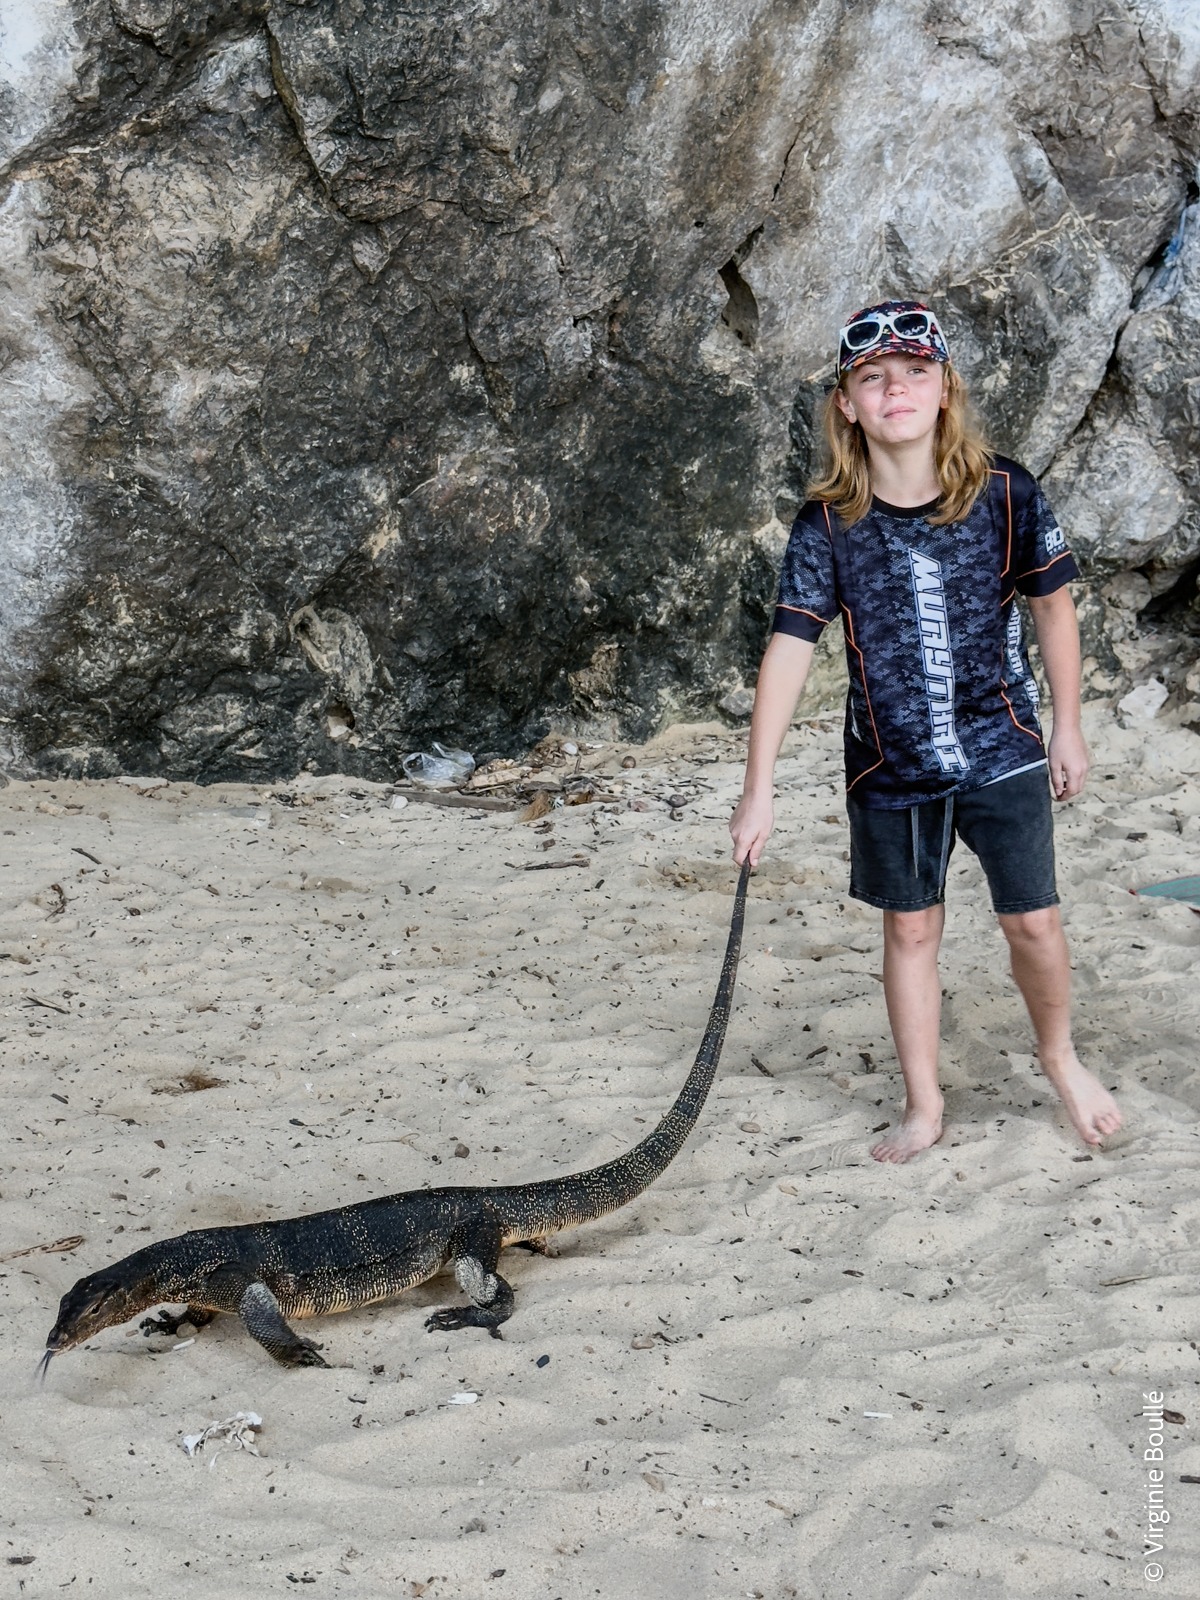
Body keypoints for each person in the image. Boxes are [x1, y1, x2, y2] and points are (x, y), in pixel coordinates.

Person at [729, 299, 1121, 1163]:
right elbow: (789, 650)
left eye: (914, 371)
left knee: (1034, 923)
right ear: (846, 403)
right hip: (890, 763)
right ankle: (923, 1102)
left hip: (1003, 743)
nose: (894, 389)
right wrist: (756, 792)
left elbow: (1054, 611)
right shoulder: (827, 523)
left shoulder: (1005, 492)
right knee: (910, 928)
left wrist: (1068, 727)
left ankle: (1060, 1058)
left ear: (945, 388)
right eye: (871, 377)